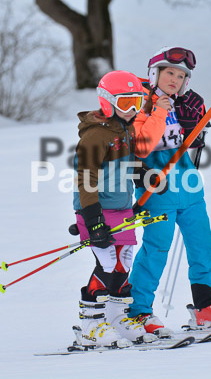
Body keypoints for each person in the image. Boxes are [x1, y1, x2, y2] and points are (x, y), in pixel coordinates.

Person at [128, 47, 211, 336]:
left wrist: (196, 124)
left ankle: (207, 306)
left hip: (189, 184)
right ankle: (138, 311)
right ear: (154, 73)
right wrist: (159, 109)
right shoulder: (140, 103)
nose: (175, 79)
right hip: (157, 187)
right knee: (156, 250)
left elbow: (191, 143)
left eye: (181, 75)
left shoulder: (181, 103)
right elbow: (141, 145)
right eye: (169, 72)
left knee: (203, 246)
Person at [73, 70, 166, 348]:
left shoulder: (124, 129)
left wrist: (143, 173)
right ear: (107, 102)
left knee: (123, 261)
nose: (132, 110)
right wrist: (93, 219)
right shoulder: (94, 136)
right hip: (97, 210)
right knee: (106, 264)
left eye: (136, 103)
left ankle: (115, 317)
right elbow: (86, 178)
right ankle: (90, 323)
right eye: (125, 104)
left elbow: (123, 163)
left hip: (122, 208)